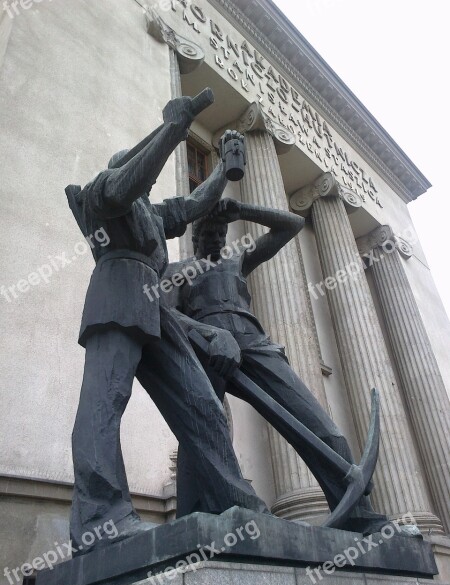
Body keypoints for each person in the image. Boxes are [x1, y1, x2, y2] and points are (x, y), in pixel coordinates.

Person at [66, 100, 269, 553]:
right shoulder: (105, 192)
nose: (151, 180)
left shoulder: (153, 216)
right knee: (105, 404)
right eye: (146, 171)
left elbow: (196, 204)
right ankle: (101, 517)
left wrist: (224, 168)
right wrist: (173, 131)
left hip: (156, 309)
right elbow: (124, 186)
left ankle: (234, 499)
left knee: (201, 402)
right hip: (117, 296)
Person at [167, 198, 391, 535]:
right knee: (201, 429)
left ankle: (356, 510)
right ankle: (192, 516)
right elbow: (167, 314)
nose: (216, 239)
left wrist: (245, 210)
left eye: (221, 233)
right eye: (209, 233)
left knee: (319, 423)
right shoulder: (178, 272)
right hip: (205, 350)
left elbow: (291, 225)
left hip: (253, 343)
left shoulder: (236, 261)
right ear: (195, 239)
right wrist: (207, 334)